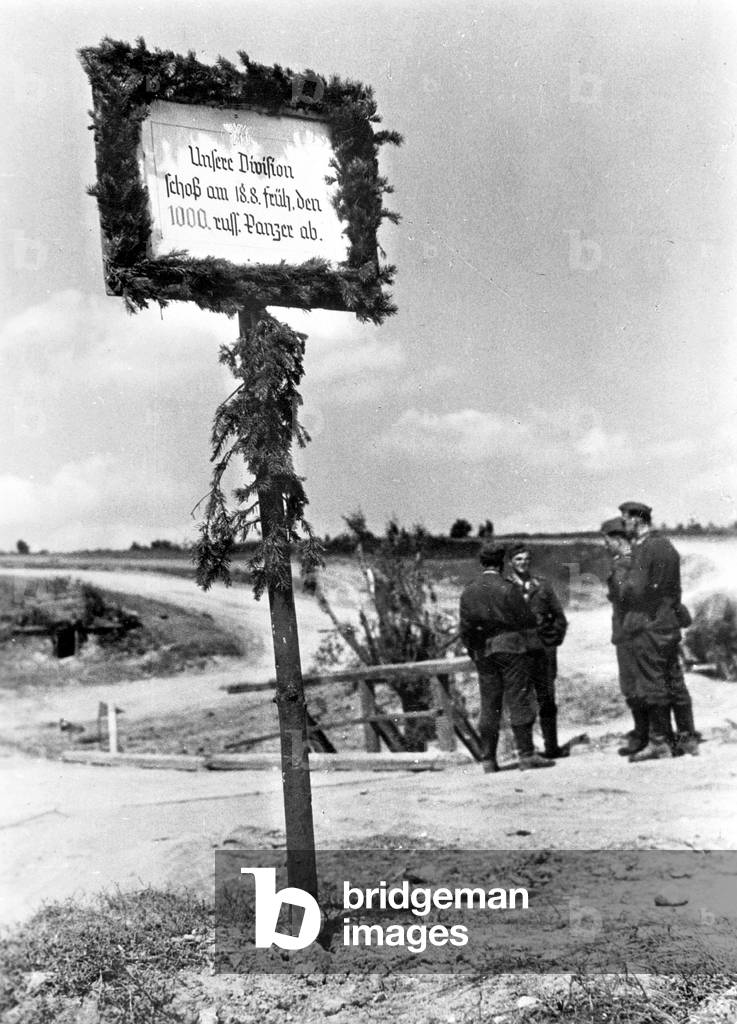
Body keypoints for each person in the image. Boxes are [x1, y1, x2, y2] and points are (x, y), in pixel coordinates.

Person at [459, 542, 554, 772]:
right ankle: (526, 755)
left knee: (490, 704)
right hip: (511, 648)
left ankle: (488, 759)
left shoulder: (469, 590)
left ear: (481, 563)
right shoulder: (508, 588)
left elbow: (465, 628)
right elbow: (527, 620)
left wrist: (475, 652)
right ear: (501, 563)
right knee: (518, 698)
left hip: (483, 652)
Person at [617, 501, 700, 761]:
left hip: (648, 624)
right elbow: (676, 590)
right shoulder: (668, 547)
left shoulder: (645, 550)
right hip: (668, 622)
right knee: (674, 679)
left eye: (625, 520)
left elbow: (636, 589)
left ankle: (660, 742)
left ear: (636, 520)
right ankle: (687, 738)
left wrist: (622, 582)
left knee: (653, 682)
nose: (624, 525)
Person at [506, 542, 570, 758]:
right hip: (518, 653)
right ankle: (525, 749)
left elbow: (560, 618)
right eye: (518, 559)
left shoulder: (542, 586)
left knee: (547, 699)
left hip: (543, 652)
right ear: (510, 563)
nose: (523, 563)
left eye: (526, 559)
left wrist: (551, 642)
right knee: (521, 699)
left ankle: (551, 747)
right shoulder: (505, 587)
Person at [601, 517, 649, 755]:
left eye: (606, 541)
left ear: (617, 540)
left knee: (633, 685)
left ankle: (643, 735)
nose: (605, 546)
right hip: (631, 631)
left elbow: (623, 595)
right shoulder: (632, 561)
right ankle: (645, 732)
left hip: (628, 633)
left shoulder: (624, 564)